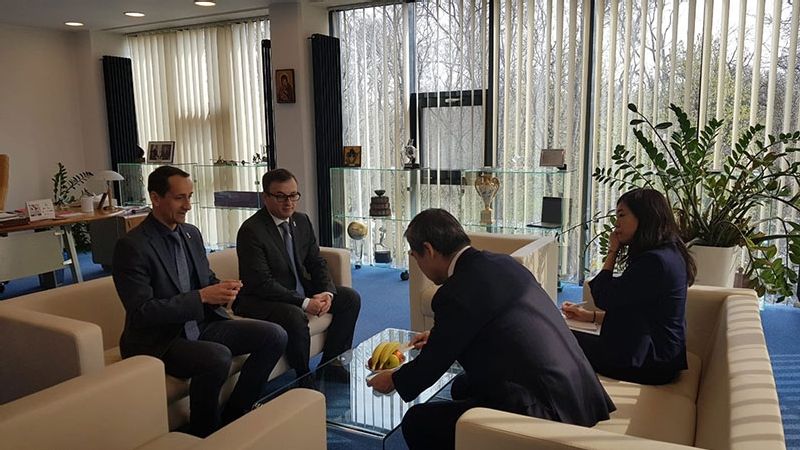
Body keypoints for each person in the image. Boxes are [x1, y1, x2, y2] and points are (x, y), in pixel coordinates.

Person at [368, 208, 614, 450]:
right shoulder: (503, 263)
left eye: (416, 257)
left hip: (545, 409)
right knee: (462, 386)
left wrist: (394, 380)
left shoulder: (454, 292)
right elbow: (496, 320)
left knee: (416, 422)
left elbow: (431, 366)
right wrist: (440, 335)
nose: (418, 265)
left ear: (429, 250)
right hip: (578, 392)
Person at [112, 165, 288, 438]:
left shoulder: (191, 233)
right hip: (161, 338)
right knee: (216, 357)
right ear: (155, 198)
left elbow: (205, 279)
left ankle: (236, 412)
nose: (188, 206)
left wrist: (222, 289)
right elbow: (142, 312)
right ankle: (203, 433)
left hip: (200, 323)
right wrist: (202, 297)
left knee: (275, 335)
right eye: (179, 198)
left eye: (190, 196)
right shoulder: (132, 246)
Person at [234, 168, 361, 383]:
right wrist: (304, 302)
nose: (289, 203)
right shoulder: (251, 230)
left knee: (350, 298)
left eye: (293, 195)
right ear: (265, 197)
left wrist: (327, 292)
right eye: (281, 196)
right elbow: (262, 283)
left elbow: (316, 262)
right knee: (294, 315)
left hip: (298, 288)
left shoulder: (301, 221)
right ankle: (303, 375)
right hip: (261, 299)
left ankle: (331, 364)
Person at [562, 188, 696, 385]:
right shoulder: (670, 252)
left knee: (553, 338)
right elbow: (638, 310)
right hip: (659, 357)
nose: (616, 224)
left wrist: (612, 251)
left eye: (622, 215)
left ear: (644, 216)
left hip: (647, 362)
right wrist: (590, 316)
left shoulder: (654, 262)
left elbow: (604, 297)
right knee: (559, 336)